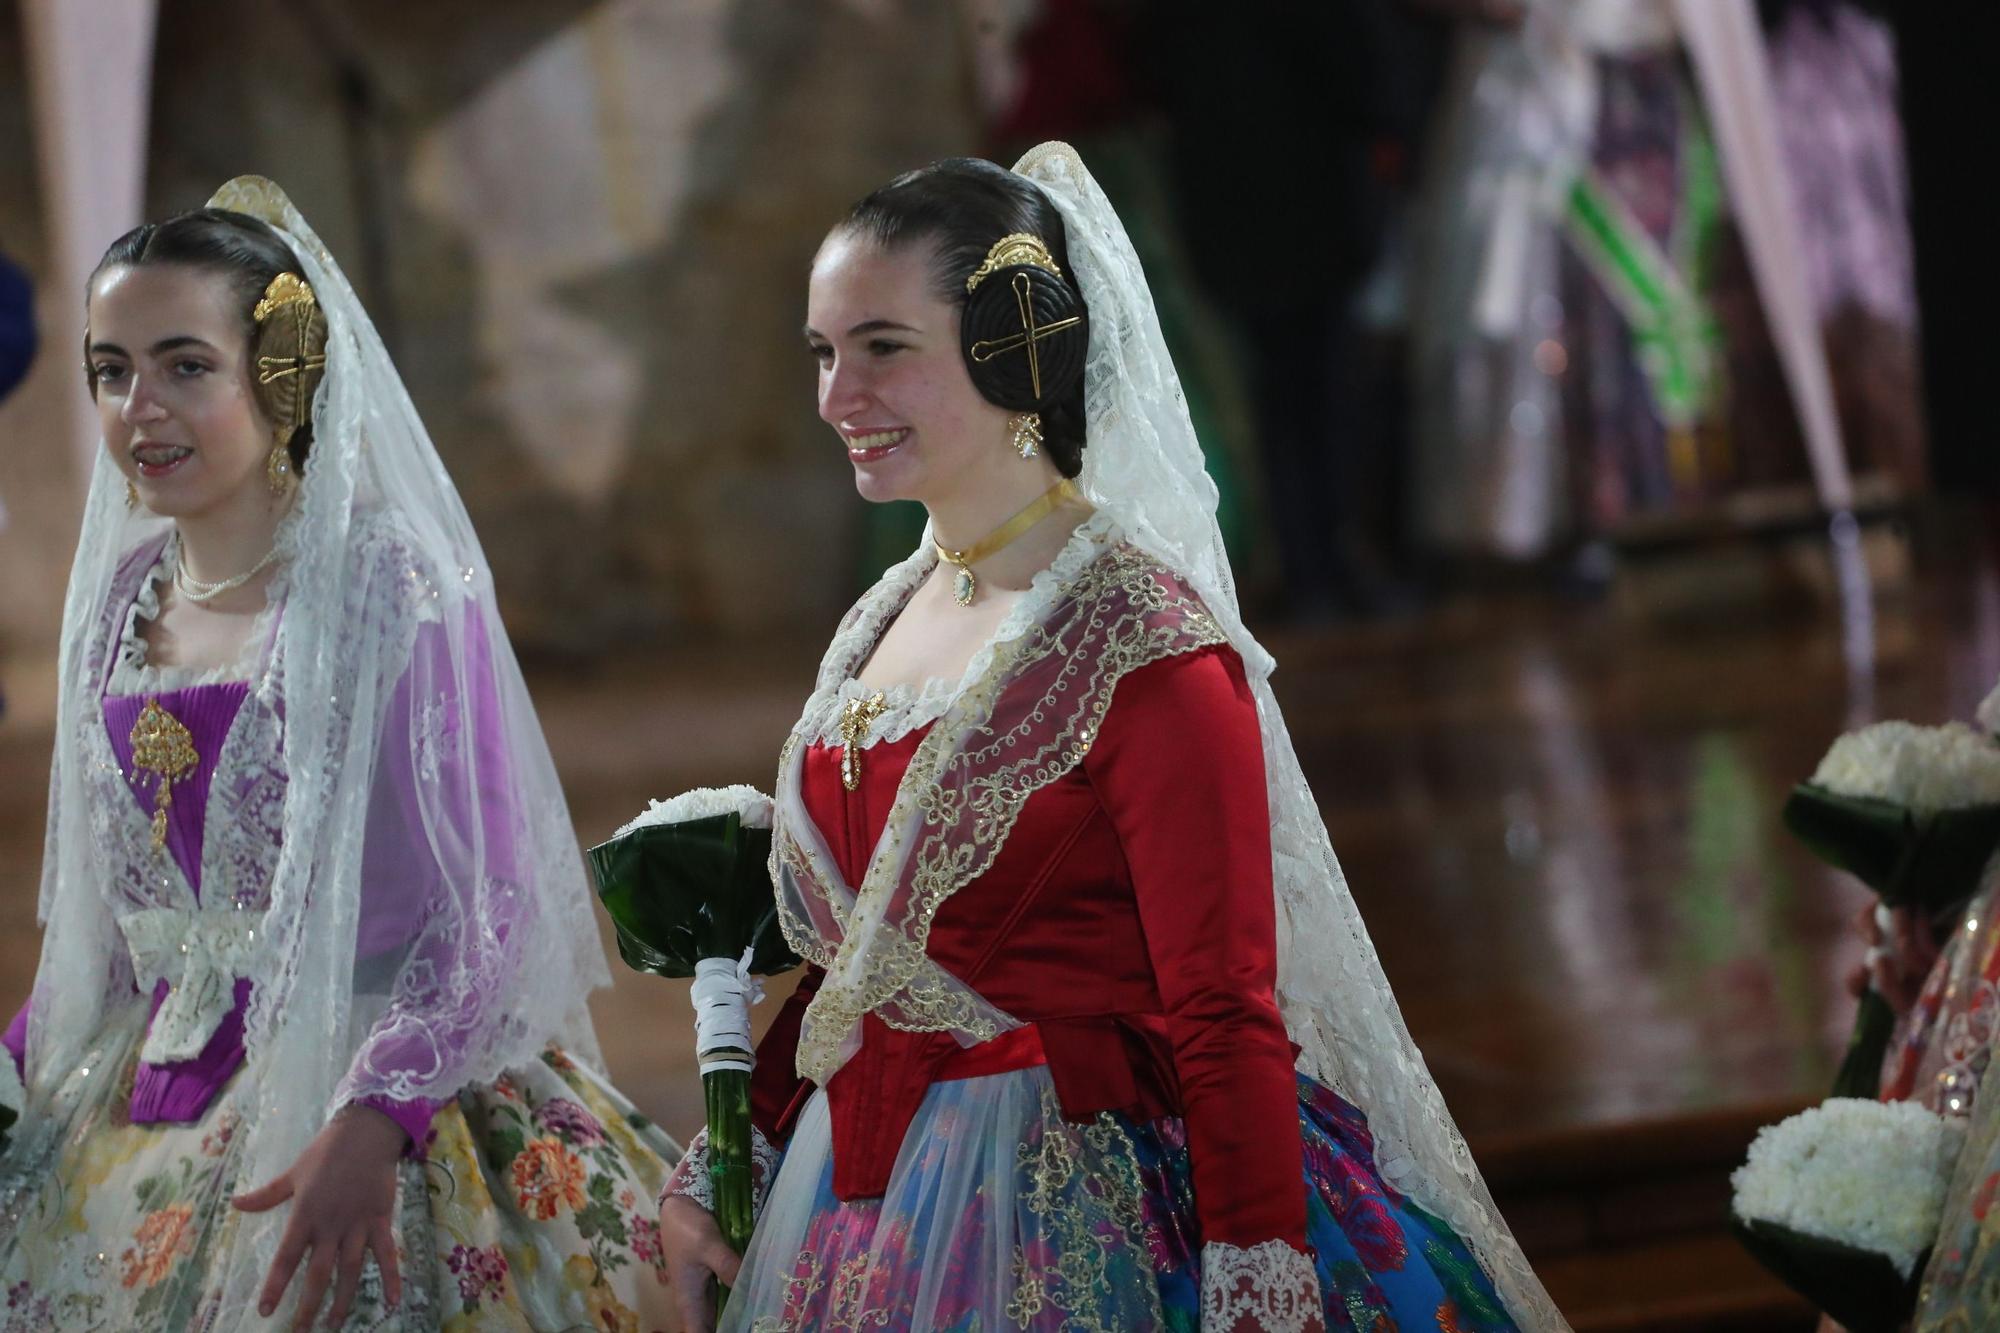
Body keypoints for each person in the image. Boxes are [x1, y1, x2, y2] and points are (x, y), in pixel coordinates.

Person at [656, 144, 1567, 1332]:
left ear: (1015, 344)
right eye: (824, 354)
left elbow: (1223, 1002)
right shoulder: (890, 610)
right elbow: (862, 970)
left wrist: (1252, 1274)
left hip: (1092, 1215)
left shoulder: (1145, 644)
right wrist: (740, 1148)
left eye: (883, 347)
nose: (836, 398)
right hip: (861, 1206)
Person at [0, 178, 677, 1332]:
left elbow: (482, 905)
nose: (139, 407)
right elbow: (104, 928)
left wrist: (376, 1118)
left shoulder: (383, 584)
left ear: (282, 371)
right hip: (135, 1096)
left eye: (184, 364)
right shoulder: (117, 603)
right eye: (110, 369)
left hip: (371, 1095)